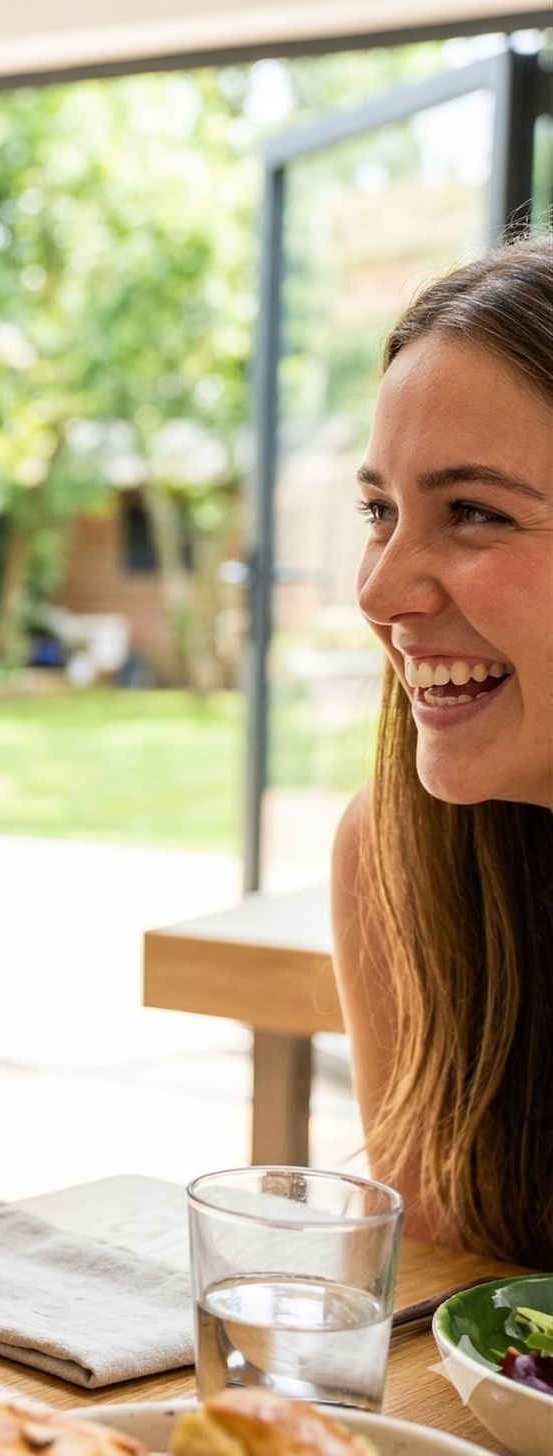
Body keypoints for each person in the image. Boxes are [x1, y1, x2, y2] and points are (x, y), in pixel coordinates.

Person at [331, 237, 553, 1265]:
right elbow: (445, 1300)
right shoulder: (395, 853)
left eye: (474, 513)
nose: (380, 590)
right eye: (381, 511)